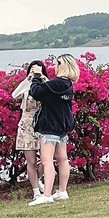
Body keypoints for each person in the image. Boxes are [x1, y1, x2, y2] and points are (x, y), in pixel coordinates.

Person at [27, 54, 78, 206]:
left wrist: (36, 76)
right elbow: (49, 92)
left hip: (50, 126)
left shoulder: (56, 83)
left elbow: (36, 92)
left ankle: (47, 194)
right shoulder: (67, 84)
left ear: (63, 66)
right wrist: (42, 78)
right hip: (62, 126)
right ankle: (62, 191)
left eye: (58, 63)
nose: (56, 66)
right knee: (62, 159)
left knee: (46, 160)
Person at [11, 61, 47, 199]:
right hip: (27, 124)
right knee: (31, 161)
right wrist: (29, 79)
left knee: (45, 159)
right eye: (32, 69)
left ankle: (38, 179)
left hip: (42, 124)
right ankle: (36, 191)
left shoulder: (44, 84)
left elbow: (51, 93)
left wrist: (41, 77)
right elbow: (15, 95)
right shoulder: (27, 85)